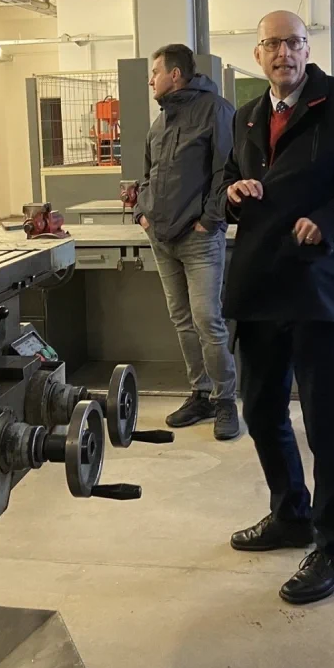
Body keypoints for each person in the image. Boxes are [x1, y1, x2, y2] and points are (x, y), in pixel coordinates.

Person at [222, 10, 334, 605]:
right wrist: (233, 194)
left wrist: (330, 220)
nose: (284, 53)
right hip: (259, 285)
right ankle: (290, 515)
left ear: (308, 48)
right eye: (272, 44)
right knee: (260, 410)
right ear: (258, 54)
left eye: (294, 42)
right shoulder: (247, 115)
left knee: (326, 424)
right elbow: (228, 182)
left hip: (318, 286)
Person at [133, 44, 240, 441]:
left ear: (175, 75)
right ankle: (200, 394)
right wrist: (142, 213)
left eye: (155, 72)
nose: (151, 81)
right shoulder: (160, 121)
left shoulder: (216, 110)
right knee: (182, 321)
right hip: (161, 238)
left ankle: (225, 399)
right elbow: (147, 174)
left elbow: (226, 172)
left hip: (198, 240)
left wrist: (209, 221)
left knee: (208, 320)